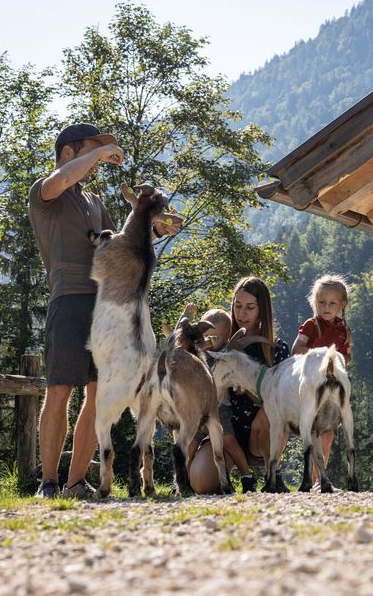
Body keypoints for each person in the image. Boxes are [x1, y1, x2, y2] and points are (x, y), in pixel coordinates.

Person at [28, 123, 179, 499]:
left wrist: (157, 232)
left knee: (98, 394)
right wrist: (98, 153)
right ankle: (48, 483)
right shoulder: (46, 192)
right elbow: (61, 180)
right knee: (60, 390)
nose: (98, 161)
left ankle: (76, 482)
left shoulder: (95, 202)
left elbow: (123, 247)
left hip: (106, 308)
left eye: (100, 153)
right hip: (68, 300)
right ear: (67, 152)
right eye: (90, 151)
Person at [187, 277, 290, 494]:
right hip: (225, 432)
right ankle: (232, 480)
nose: (242, 313)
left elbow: (283, 399)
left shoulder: (277, 348)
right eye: (237, 306)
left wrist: (252, 390)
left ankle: (274, 475)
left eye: (250, 307)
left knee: (272, 410)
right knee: (201, 483)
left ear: (262, 310)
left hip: (261, 433)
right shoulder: (222, 345)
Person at [291, 274, 352, 485]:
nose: (326, 307)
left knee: (328, 434)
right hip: (311, 388)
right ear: (313, 302)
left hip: (333, 390)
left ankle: (320, 478)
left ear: (342, 305)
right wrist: (321, 355)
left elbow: (347, 357)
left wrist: (341, 360)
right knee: (314, 431)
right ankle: (313, 477)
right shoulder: (310, 326)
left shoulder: (344, 329)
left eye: (332, 303)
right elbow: (296, 350)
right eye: (321, 302)